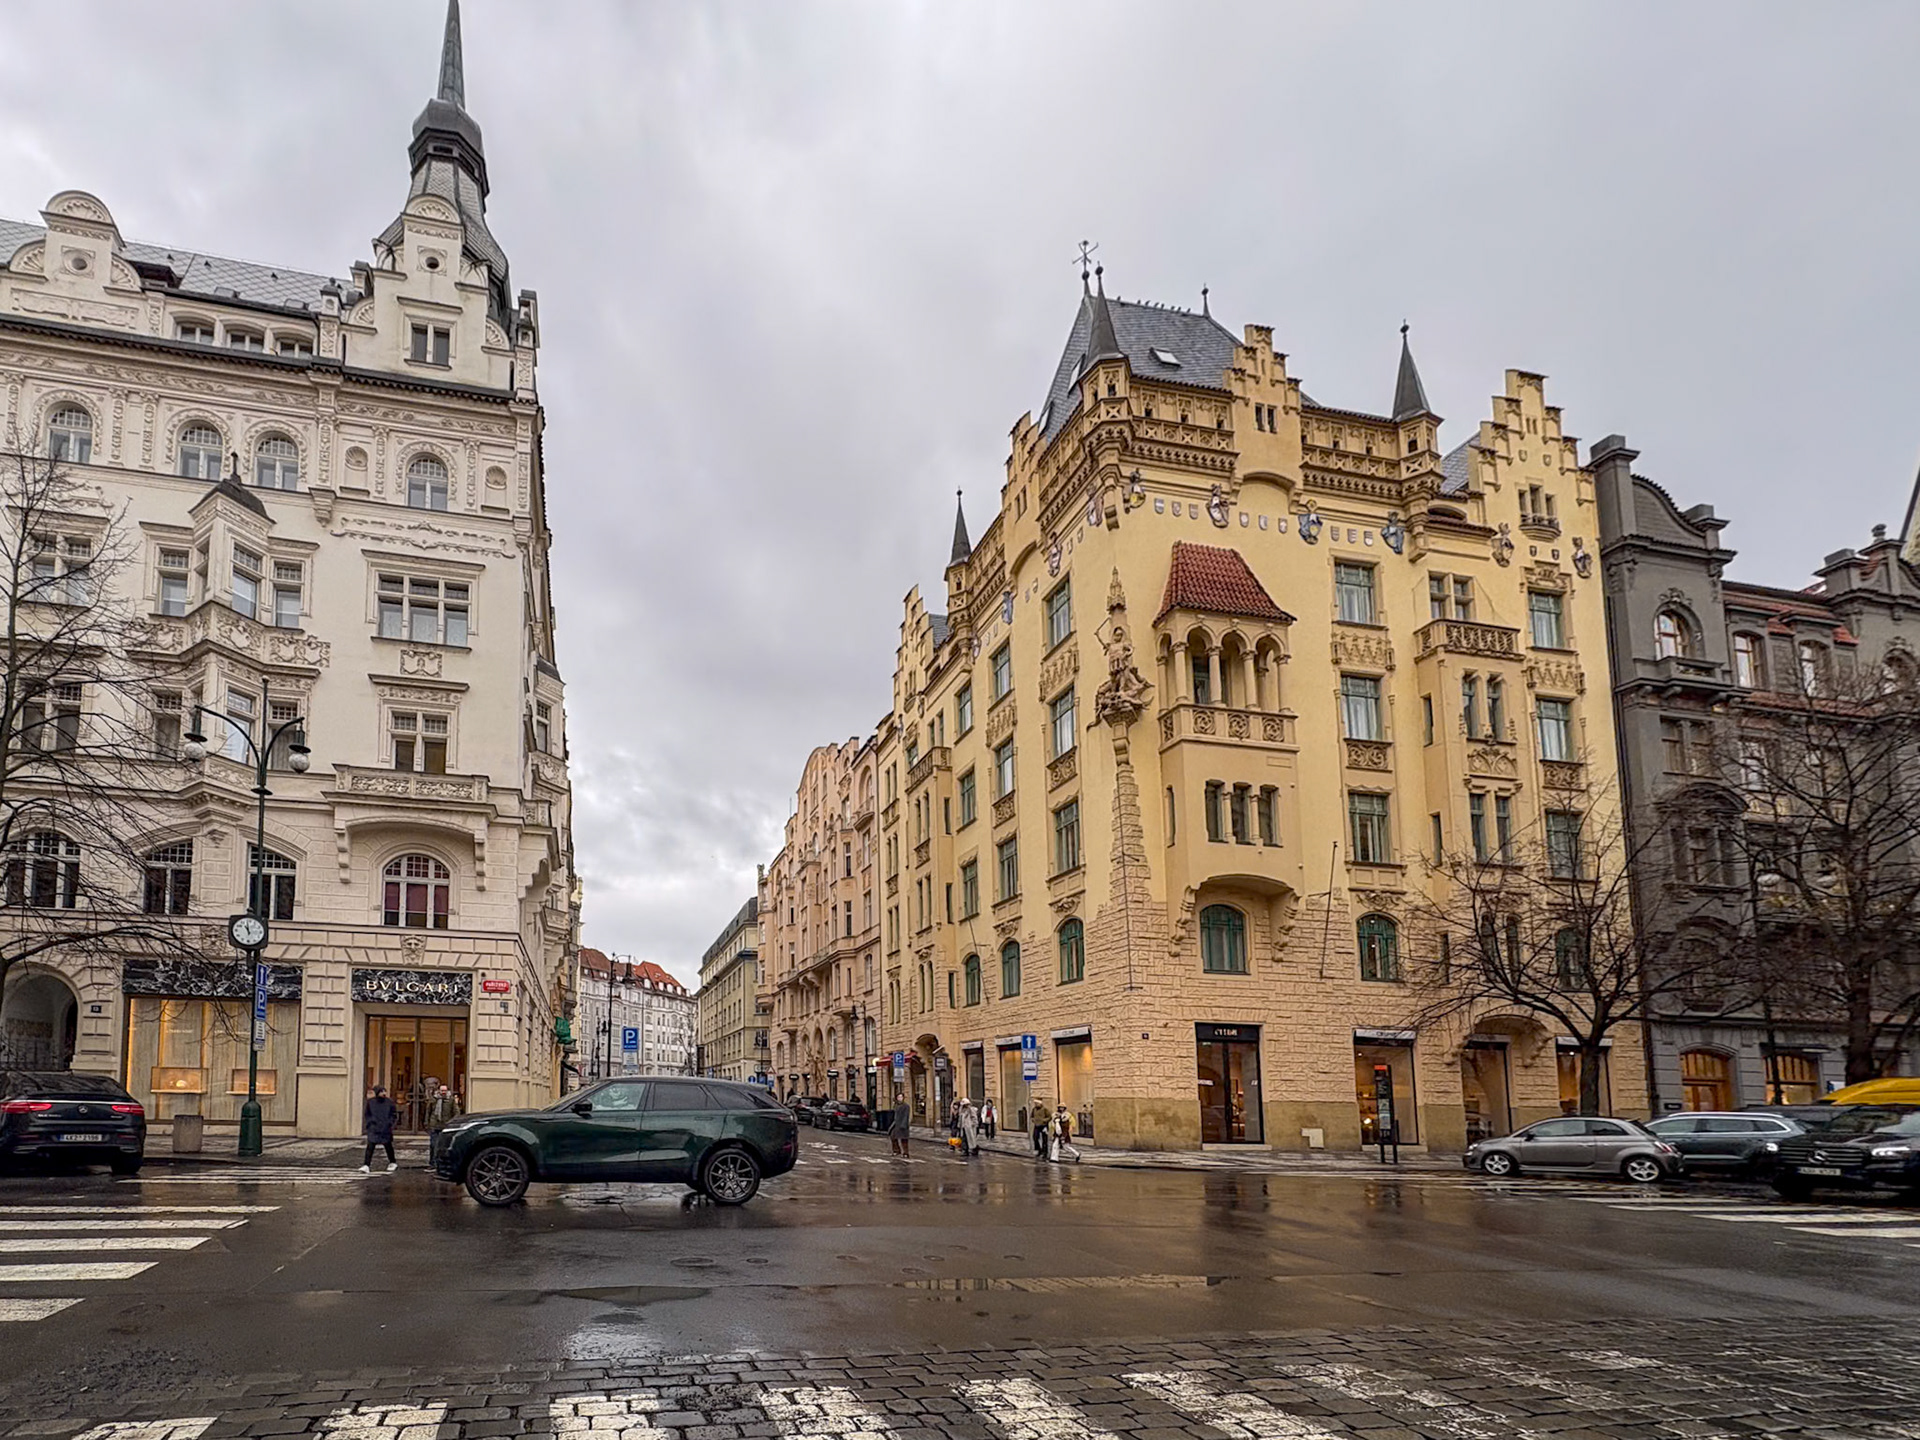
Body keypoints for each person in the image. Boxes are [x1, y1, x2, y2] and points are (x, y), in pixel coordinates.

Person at [360, 1085, 399, 1174]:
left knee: (388, 1146)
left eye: (384, 1091)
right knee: (370, 1146)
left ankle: (392, 1162)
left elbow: (393, 1114)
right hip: (374, 1127)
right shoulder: (371, 1102)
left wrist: (390, 1124)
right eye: (381, 1091)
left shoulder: (389, 1102)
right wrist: (370, 1123)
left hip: (385, 1127)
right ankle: (366, 1164)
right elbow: (367, 1114)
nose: (383, 1093)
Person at [890, 1090, 911, 1156]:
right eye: (898, 1097)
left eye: (901, 1097)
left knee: (904, 1139)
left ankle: (906, 1152)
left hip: (903, 1125)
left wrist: (903, 1125)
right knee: (893, 1137)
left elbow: (906, 1116)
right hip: (896, 1124)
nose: (899, 1098)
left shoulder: (906, 1106)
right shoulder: (896, 1105)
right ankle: (896, 1150)